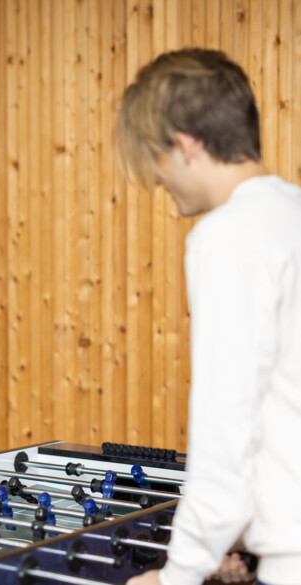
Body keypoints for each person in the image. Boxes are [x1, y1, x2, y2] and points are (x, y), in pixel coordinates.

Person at [116, 49, 301, 585]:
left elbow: (227, 428)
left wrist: (178, 575)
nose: (154, 178)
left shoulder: (225, 238)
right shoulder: (292, 215)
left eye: (155, 155)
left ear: (186, 144)